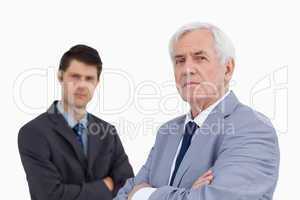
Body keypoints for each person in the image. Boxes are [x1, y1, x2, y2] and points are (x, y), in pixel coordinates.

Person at [115, 22, 280, 200]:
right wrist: (189, 194)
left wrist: (142, 194)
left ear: (228, 68)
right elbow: (122, 196)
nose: (187, 69)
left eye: (200, 58)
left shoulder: (252, 128)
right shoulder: (167, 132)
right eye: (180, 61)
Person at [18, 44, 134, 200]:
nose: (82, 85)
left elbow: (128, 187)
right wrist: (105, 186)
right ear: (60, 76)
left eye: (89, 79)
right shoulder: (34, 132)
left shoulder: (108, 132)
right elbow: (49, 195)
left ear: (97, 82)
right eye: (75, 77)